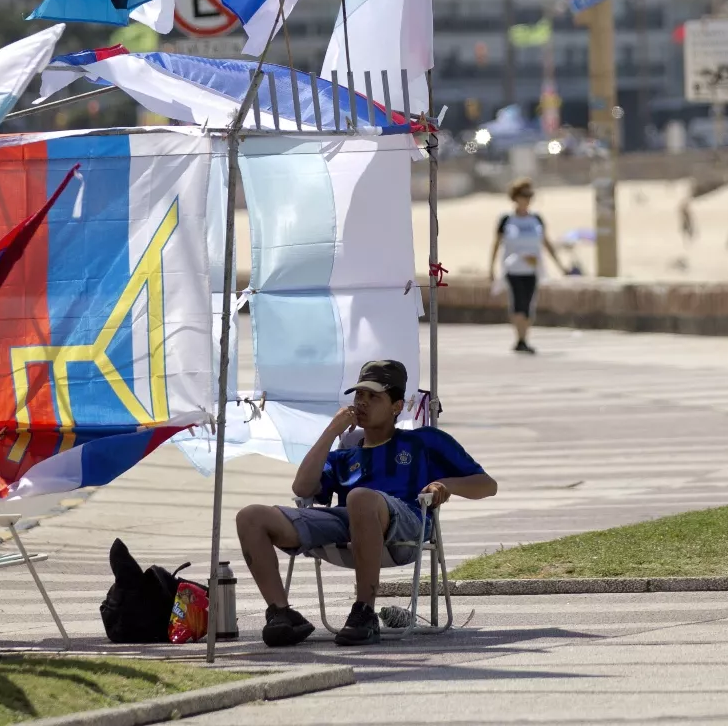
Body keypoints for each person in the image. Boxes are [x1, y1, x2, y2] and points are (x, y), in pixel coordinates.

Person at [235, 360, 496, 647]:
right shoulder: (345, 455)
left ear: (397, 406)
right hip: (349, 522)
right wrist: (331, 433)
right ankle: (281, 615)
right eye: (359, 395)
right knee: (250, 517)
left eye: (374, 396)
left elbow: (487, 485)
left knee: (360, 496)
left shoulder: (423, 441)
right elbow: (302, 488)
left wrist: (445, 485)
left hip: (407, 523)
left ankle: (364, 612)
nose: (362, 402)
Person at [488, 177, 567, 354]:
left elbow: (546, 243)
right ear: (515, 197)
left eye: (530, 195)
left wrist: (560, 266)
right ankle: (520, 338)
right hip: (513, 268)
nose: (527, 199)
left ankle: (524, 337)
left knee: (529, 304)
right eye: (524, 195)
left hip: (532, 268)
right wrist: (491, 268)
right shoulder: (506, 220)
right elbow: (496, 244)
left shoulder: (536, 219)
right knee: (518, 302)